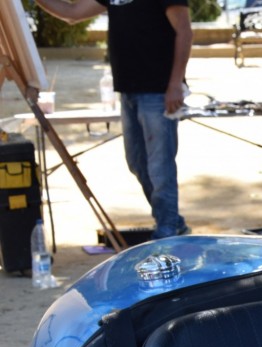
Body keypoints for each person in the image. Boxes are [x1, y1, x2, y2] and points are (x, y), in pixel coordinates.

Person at [34, 0, 193, 239]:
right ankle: (172, 221)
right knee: (137, 161)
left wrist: (175, 84)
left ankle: (168, 229)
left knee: (160, 166)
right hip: (128, 89)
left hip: (158, 91)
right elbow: (72, 13)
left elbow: (184, 31)